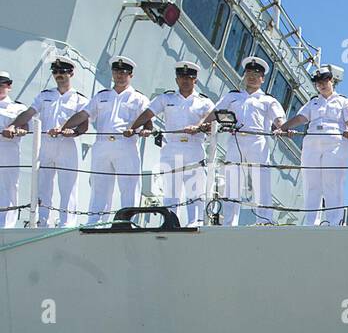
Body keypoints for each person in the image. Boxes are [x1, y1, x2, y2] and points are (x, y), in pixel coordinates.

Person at [190, 56, 286, 225]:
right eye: (249, 72)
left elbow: (278, 119)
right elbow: (215, 112)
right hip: (235, 140)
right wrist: (200, 125)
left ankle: (265, 221)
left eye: (256, 74)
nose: (252, 76)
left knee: (260, 183)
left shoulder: (268, 100)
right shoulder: (232, 96)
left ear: (262, 79)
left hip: (257, 141)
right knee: (232, 183)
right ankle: (229, 222)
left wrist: (282, 128)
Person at [128, 60, 214, 226]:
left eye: (189, 77)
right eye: (182, 77)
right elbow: (148, 114)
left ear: (195, 80)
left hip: (194, 147)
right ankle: (170, 222)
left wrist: (200, 127)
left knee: (194, 190)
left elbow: (213, 123)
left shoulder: (205, 102)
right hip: (172, 148)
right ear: (177, 79)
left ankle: (194, 223)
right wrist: (132, 128)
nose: (185, 80)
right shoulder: (165, 99)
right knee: (171, 190)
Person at [66, 54, 149, 225]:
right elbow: (84, 114)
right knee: (99, 185)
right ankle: (96, 221)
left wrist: (142, 131)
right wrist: (64, 127)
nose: (119, 75)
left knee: (129, 186)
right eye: (116, 71)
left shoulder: (139, 99)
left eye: (124, 72)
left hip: (126, 145)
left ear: (130, 75)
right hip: (102, 145)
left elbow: (149, 124)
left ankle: (128, 222)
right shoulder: (101, 96)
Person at [9, 57, 88, 226]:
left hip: (67, 145)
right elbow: (29, 113)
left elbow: (84, 126)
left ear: (71, 73)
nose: (58, 75)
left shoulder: (79, 99)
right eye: (55, 72)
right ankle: (42, 221)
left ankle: (67, 222)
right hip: (45, 144)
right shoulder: (45, 96)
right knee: (43, 185)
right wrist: (13, 125)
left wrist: (71, 132)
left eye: (62, 72)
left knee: (68, 186)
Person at [281, 65, 348, 226]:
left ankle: (334, 222)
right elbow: (301, 118)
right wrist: (283, 127)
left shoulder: (344, 102)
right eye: (318, 82)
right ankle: (311, 222)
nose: (321, 84)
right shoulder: (313, 102)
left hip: (334, 143)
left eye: (324, 81)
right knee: (311, 183)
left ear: (331, 80)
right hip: (312, 143)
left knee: (332, 183)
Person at [0, 70, 27, 228]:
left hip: (8, 148)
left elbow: (25, 125)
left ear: (9, 86)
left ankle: (6, 224)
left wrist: (19, 130)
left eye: (1, 84)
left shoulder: (18, 108)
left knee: (9, 185)